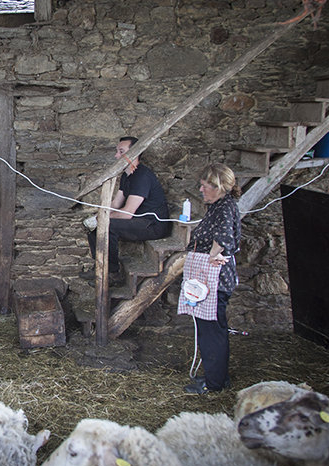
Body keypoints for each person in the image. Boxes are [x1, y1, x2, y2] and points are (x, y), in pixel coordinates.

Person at [182, 164, 242, 395]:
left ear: (218, 187)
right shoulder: (219, 206)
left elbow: (224, 237)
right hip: (212, 279)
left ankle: (214, 383)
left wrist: (213, 256)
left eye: (205, 186)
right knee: (212, 328)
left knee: (212, 330)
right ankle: (217, 376)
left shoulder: (225, 208)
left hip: (215, 281)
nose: (201, 189)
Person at [87, 136, 171, 283]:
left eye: (121, 151)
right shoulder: (127, 175)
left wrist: (104, 218)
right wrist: (97, 215)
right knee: (92, 226)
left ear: (135, 153)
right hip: (140, 220)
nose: (116, 156)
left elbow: (127, 213)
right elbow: (116, 203)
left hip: (153, 224)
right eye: (117, 151)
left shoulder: (142, 176)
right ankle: (99, 266)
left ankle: (113, 273)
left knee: (108, 226)